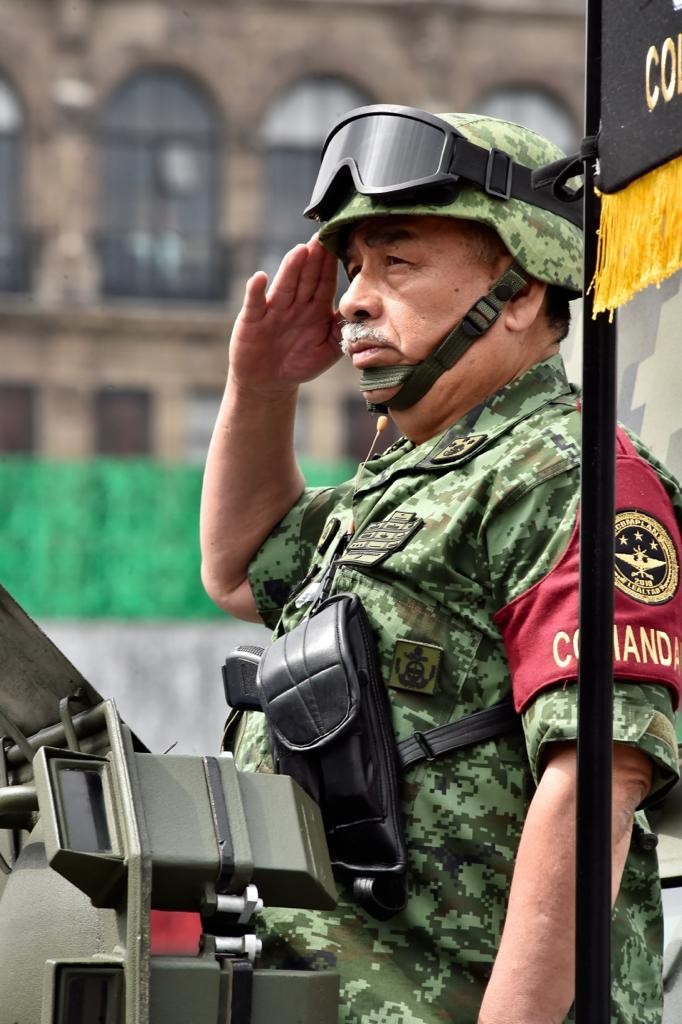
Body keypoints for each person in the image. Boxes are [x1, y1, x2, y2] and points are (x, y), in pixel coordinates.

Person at [200, 106, 682, 1024]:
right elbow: (241, 568)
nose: (351, 298)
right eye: (352, 267)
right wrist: (261, 386)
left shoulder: (566, 475)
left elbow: (599, 775)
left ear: (524, 287)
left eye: (398, 262)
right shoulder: (417, 478)